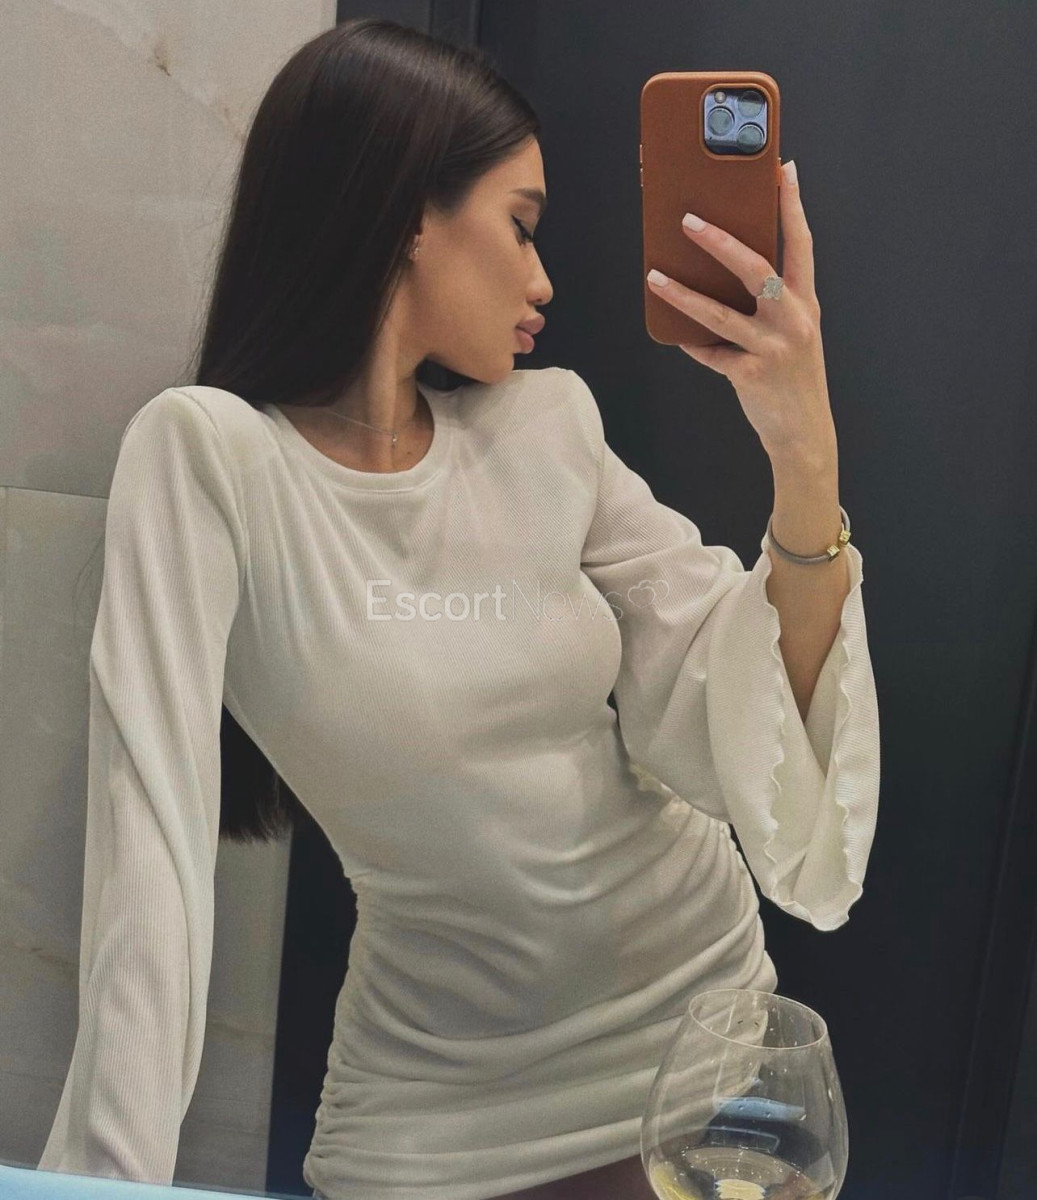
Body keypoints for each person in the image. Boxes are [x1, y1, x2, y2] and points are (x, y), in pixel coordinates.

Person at [37, 17, 880, 1200]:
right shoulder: (211, 459)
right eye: (520, 225)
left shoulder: (548, 425)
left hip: (698, 1049)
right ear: (403, 216)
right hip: (434, 1121)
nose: (543, 280)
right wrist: (104, 1187)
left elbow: (743, 705)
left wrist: (803, 452)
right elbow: (150, 867)